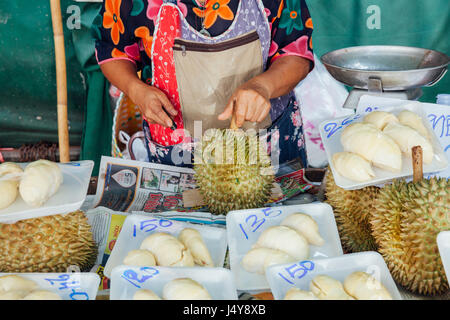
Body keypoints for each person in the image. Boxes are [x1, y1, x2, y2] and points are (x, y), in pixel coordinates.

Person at [95, 0, 314, 168]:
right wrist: (136, 89)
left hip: (266, 148)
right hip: (176, 154)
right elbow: (114, 50)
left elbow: (296, 51)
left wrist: (264, 86)